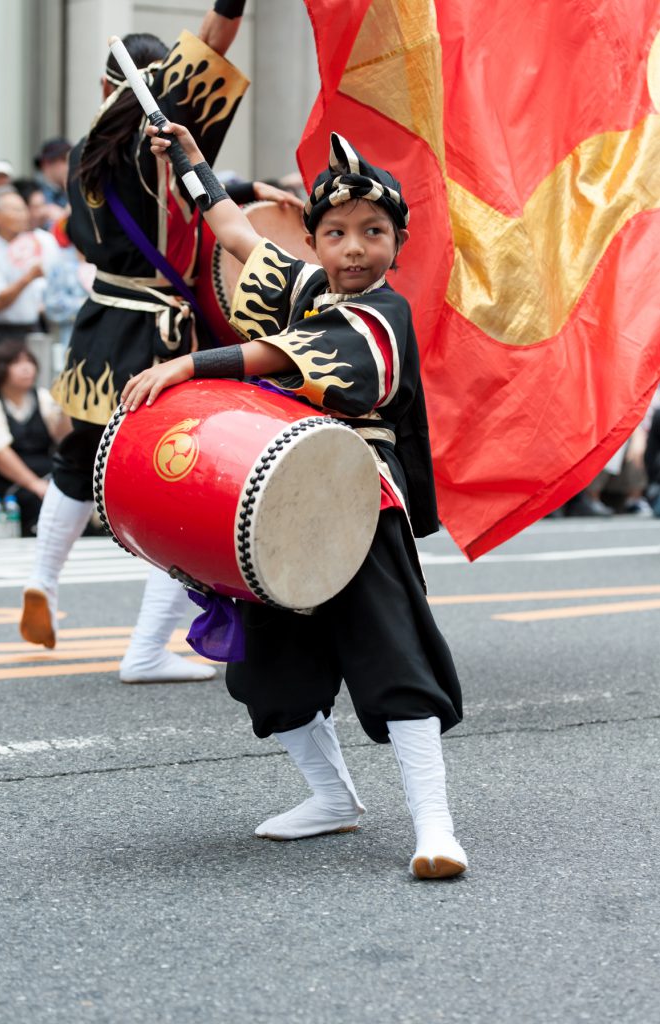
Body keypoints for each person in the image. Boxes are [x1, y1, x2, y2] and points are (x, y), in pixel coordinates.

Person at [122, 121, 468, 879]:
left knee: (392, 655)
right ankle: (330, 797)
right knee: (271, 668)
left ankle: (435, 827)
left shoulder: (384, 313)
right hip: (279, 499)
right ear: (313, 241)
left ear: (396, 242)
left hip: (358, 500)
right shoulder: (311, 287)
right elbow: (237, 234)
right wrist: (186, 158)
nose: (353, 248)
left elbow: (286, 355)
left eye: (372, 232)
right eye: (335, 233)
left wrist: (192, 364)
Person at [20, 1, 299, 684]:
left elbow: (159, 189)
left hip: (99, 319)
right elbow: (217, 35)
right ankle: (146, 649)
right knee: (181, 482)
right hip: (156, 330)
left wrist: (239, 184)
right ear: (158, 75)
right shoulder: (156, 119)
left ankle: (41, 580)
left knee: (78, 454)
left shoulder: (90, 145)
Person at [0, 339, 70, 534]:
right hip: (8, 490)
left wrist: (67, 407)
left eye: (29, 361)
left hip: (47, 478)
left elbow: (63, 438)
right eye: (16, 363)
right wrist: (35, 485)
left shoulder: (43, 396)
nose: (26, 369)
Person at [0, 188, 61, 340]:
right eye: (16, 210)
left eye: (24, 209)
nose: (23, 215)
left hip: (34, 328)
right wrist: (28, 278)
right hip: (0, 335)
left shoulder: (39, 242)